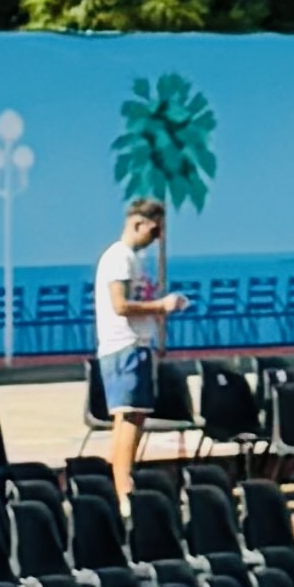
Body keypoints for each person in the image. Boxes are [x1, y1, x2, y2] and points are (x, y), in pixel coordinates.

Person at [92, 193, 184, 516]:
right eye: (153, 231)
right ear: (137, 223)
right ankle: (121, 490)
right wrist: (160, 306)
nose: (154, 238)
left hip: (137, 346)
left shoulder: (134, 260)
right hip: (123, 347)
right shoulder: (119, 258)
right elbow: (120, 305)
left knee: (136, 416)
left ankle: (124, 482)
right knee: (127, 417)